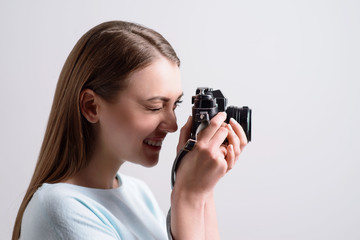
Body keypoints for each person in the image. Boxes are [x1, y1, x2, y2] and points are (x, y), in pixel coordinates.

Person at [12, 20, 247, 240]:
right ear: (91, 106)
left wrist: (203, 188)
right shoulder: (59, 210)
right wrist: (188, 196)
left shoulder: (137, 193)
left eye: (175, 105)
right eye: (155, 107)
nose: (174, 125)